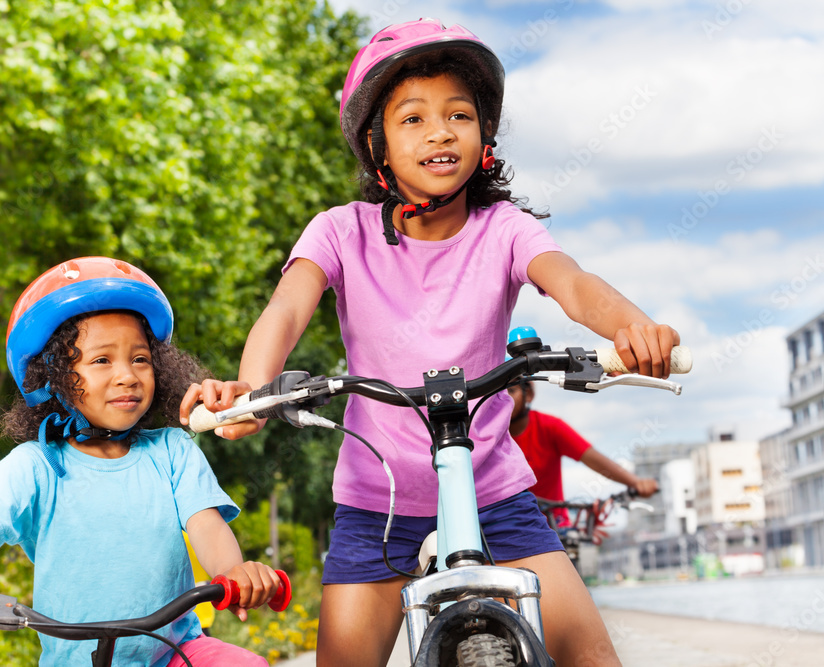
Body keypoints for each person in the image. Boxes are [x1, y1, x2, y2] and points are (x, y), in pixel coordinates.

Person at [181, 19, 679, 667]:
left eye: (459, 114)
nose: (440, 131)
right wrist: (253, 390)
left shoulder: (504, 229)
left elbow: (574, 285)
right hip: (375, 506)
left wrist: (631, 328)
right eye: (412, 118)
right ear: (377, 143)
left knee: (592, 655)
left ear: (484, 137)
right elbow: (285, 310)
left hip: (496, 495)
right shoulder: (339, 232)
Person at [0, 257, 280, 667]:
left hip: (177, 652)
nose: (128, 376)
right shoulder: (35, 466)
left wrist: (234, 572)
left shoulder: (172, 450)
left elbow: (206, 523)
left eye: (140, 359)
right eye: (102, 361)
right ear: (55, 377)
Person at [508, 377, 659, 527]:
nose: (504, 399)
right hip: (505, 529)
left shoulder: (549, 427)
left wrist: (636, 482)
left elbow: (593, 458)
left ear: (528, 394)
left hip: (553, 526)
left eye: (511, 390)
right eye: (497, 394)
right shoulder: (489, 437)